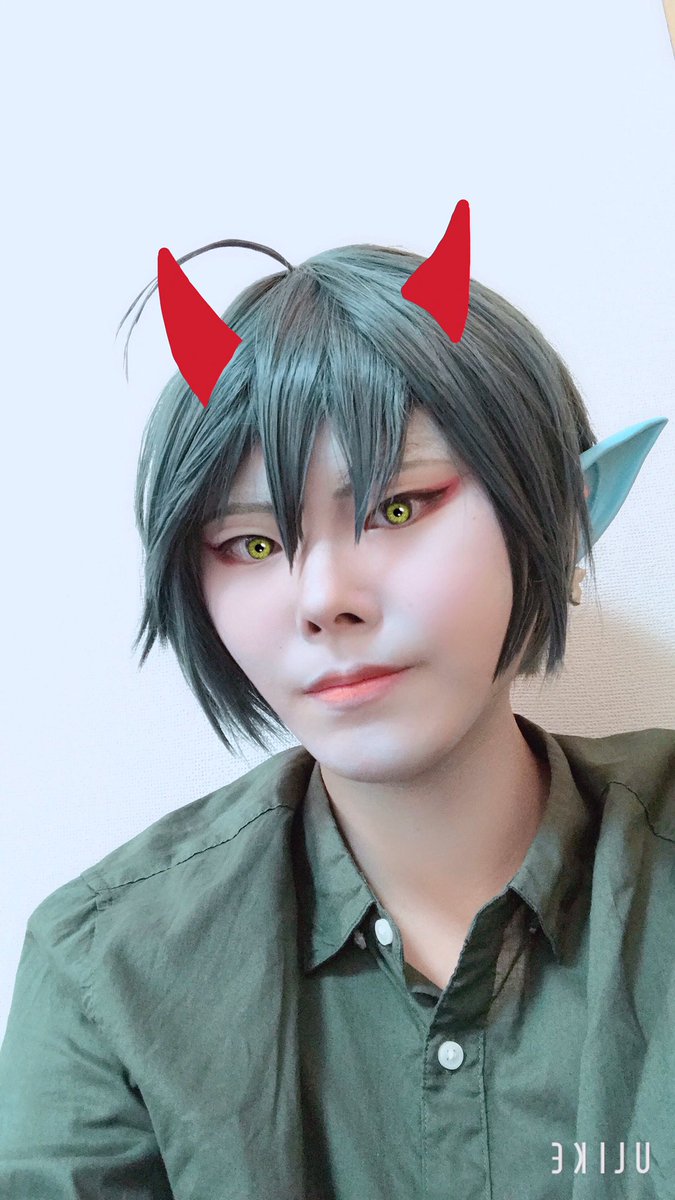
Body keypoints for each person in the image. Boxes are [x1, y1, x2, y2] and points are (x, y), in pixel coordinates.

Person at [0, 214, 672, 1199]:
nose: (322, 600)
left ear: (561, 514)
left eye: (396, 508)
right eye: (252, 544)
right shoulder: (109, 969)